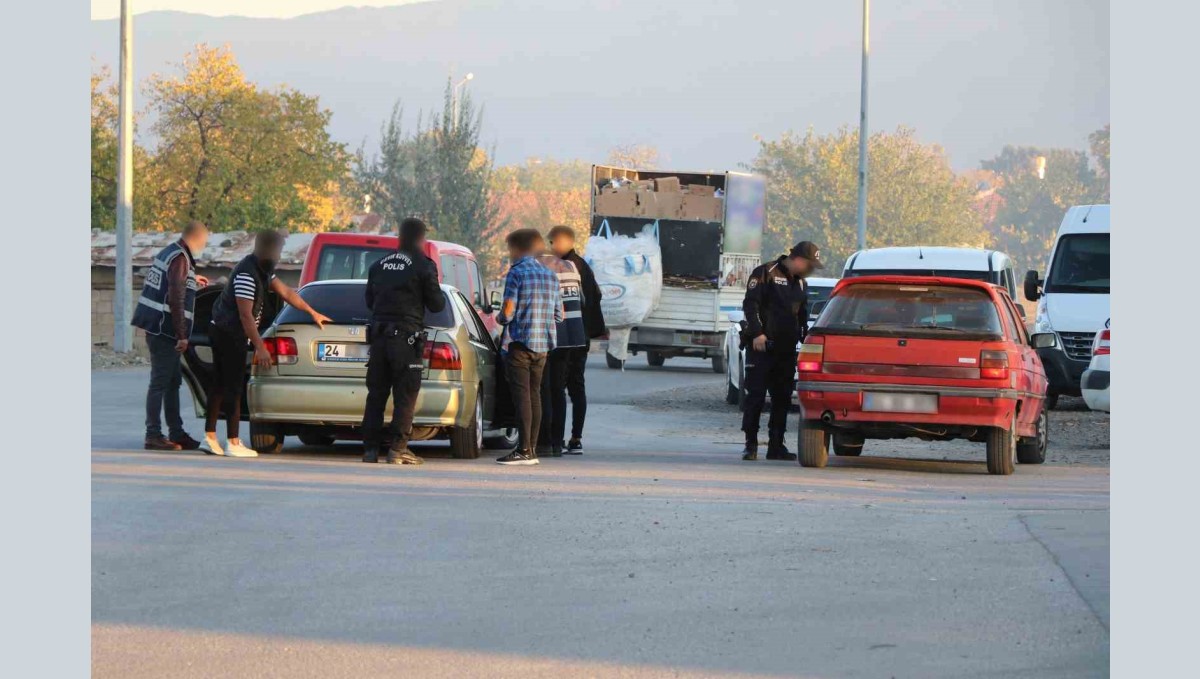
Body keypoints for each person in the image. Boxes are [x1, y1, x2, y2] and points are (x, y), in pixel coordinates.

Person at [201, 229, 331, 457]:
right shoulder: (246, 274)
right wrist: (260, 347)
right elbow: (245, 316)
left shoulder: (263, 270)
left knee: (221, 385)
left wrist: (312, 312)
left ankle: (210, 438)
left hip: (230, 331)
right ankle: (232, 442)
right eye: (278, 250)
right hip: (229, 333)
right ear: (267, 249)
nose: (280, 255)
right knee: (231, 387)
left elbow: (287, 293)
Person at [360, 217, 445, 465]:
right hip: (407, 340)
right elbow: (437, 304)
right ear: (421, 238)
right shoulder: (423, 265)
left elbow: (369, 302)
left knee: (375, 394)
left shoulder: (378, 265)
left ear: (400, 235)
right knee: (405, 395)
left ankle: (370, 450)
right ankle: (398, 450)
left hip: (379, 340)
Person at [739, 241, 824, 461]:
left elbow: (802, 315)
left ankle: (776, 445)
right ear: (799, 259)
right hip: (762, 347)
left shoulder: (802, 284)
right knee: (755, 397)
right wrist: (757, 333)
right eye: (810, 264)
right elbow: (750, 304)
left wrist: (806, 338)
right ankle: (751, 444)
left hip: (786, 351)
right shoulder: (765, 273)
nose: (810, 269)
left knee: (782, 399)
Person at [131, 220, 211, 451]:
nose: (204, 245)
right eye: (204, 241)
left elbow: (173, 283)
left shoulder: (170, 253)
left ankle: (176, 432)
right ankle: (153, 434)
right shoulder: (180, 259)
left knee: (172, 381)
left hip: (157, 326)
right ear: (195, 239)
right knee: (160, 382)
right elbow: (175, 299)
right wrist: (182, 335)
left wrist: (192, 280)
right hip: (164, 329)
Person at [495, 228, 562, 466]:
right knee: (535, 395)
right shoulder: (550, 275)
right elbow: (559, 314)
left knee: (521, 396)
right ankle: (531, 448)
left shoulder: (517, 273)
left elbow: (508, 311)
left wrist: (500, 319)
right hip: (543, 346)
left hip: (520, 344)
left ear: (517, 248)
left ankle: (523, 449)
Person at [548, 225, 606, 454]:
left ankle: (556, 439)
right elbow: (595, 297)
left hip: (563, 337)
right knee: (577, 387)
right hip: (580, 337)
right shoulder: (584, 266)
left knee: (558, 387)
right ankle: (576, 438)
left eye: (552, 243)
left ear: (560, 243)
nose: (550, 248)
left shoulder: (562, 267)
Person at [536, 235, 588, 457]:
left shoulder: (540, 267)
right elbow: (583, 300)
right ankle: (557, 443)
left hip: (551, 333)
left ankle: (544, 441)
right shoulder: (571, 265)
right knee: (559, 389)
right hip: (573, 335)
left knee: (543, 388)